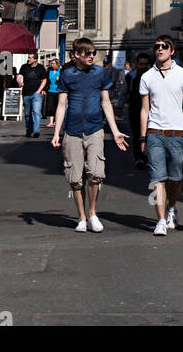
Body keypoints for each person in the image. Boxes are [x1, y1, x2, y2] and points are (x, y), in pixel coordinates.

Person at [51, 36, 128, 231]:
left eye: (93, 53)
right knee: (75, 177)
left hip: (95, 129)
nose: (92, 56)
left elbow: (106, 102)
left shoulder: (100, 73)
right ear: (76, 55)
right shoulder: (67, 75)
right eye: (87, 53)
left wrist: (116, 130)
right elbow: (61, 105)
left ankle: (92, 213)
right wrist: (56, 133)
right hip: (72, 131)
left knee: (95, 173)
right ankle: (81, 217)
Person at [139, 35, 183, 236]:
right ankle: (161, 220)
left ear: (172, 50)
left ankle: (172, 207)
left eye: (164, 46)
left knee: (175, 178)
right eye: (157, 47)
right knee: (158, 178)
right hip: (155, 132)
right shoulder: (147, 76)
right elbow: (144, 110)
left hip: (177, 133)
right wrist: (143, 137)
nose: (160, 49)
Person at [126, 53, 152, 167]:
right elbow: (124, 92)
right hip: (135, 110)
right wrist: (119, 106)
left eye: (146, 64)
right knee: (137, 135)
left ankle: (147, 157)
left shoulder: (153, 76)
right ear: (136, 64)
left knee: (150, 135)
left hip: (151, 111)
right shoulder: (130, 77)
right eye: (141, 64)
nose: (144, 66)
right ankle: (139, 158)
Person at [17, 52, 47, 137]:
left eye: (30, 58)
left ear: (35, 59)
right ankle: (28, 130)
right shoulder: (24, 66)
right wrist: (19, 82)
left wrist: (39, 91)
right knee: (27, 114)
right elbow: (19, 76)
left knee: (36, 112)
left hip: (36, 94)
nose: (28, 59)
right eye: (28, 57)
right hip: (26, 93)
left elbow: (44, 80)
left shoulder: (40, 68)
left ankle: (36, 131)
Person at [44, 57, 61, 128]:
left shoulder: (61, 70)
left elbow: (64, 80)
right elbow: (46, 80)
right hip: (50, 90)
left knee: (57, 107)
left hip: (58, 91)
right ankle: (51, 122)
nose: (52, 65)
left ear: (57, 64)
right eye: (51, 63)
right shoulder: (49, 70)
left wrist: (60, 79)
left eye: (53, 63)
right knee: (50, 106)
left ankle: (56, 122)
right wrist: (44, 89)